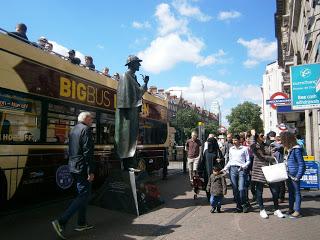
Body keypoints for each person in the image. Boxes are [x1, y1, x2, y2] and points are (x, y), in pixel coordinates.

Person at [52, 112, 96, 239]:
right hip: (82, 167)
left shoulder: (74, 130)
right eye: (91, 118)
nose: (92, 120)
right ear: (86, 119)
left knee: (82, 194)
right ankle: (61, 221)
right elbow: (88, 152)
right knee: (84, 195)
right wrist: (90, 171)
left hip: (73, 166)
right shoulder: (86, 130)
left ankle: (81, 223)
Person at [114, 55, 148, 170]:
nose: (139, 65)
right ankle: (126, 164)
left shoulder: (133, 77)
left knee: (132, 138)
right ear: (132, 64)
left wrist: (145, 83)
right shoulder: (125, 76)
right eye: (137, 63)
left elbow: (138, 92)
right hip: (127, 113)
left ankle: (129, 164)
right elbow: (125, 97)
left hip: (132, 112)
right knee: (126, 137)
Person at [250, 131, 285, 219]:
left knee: (274, 191)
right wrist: (253, 135)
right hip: (259, 170)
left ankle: (276, 209)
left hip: (269, 170)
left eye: (264, 135)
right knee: (259, 190)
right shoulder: (255, 146)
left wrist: (272, 155)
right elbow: (260, 155)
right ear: (257, 137)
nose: (263, 137)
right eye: (261, 135)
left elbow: (273, 153)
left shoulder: (267, 145)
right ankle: (262, 209)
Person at [281, 131, 306, 218]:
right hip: (288, 174)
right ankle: (291, 209)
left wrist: (298, 176)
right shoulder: (287, 149)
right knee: (291, 193)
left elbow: (301, 164)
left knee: (297, 192)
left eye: (283, 140)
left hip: (294, 175)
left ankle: (297, 211)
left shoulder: (296, 149)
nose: (282, 141)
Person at [223, 134, 250, 213]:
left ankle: (244, 204)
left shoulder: (244, 149)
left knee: (241, 188)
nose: (234, 142)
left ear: (239, 140)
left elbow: (248, 160)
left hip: (241, 169)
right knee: (235, 189)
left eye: (235, 140)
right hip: (233, 169)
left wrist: (244, 166)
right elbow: (230, 161)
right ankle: (238, 205)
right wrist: (225, 168)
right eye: (233, 140)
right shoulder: (231, 149)